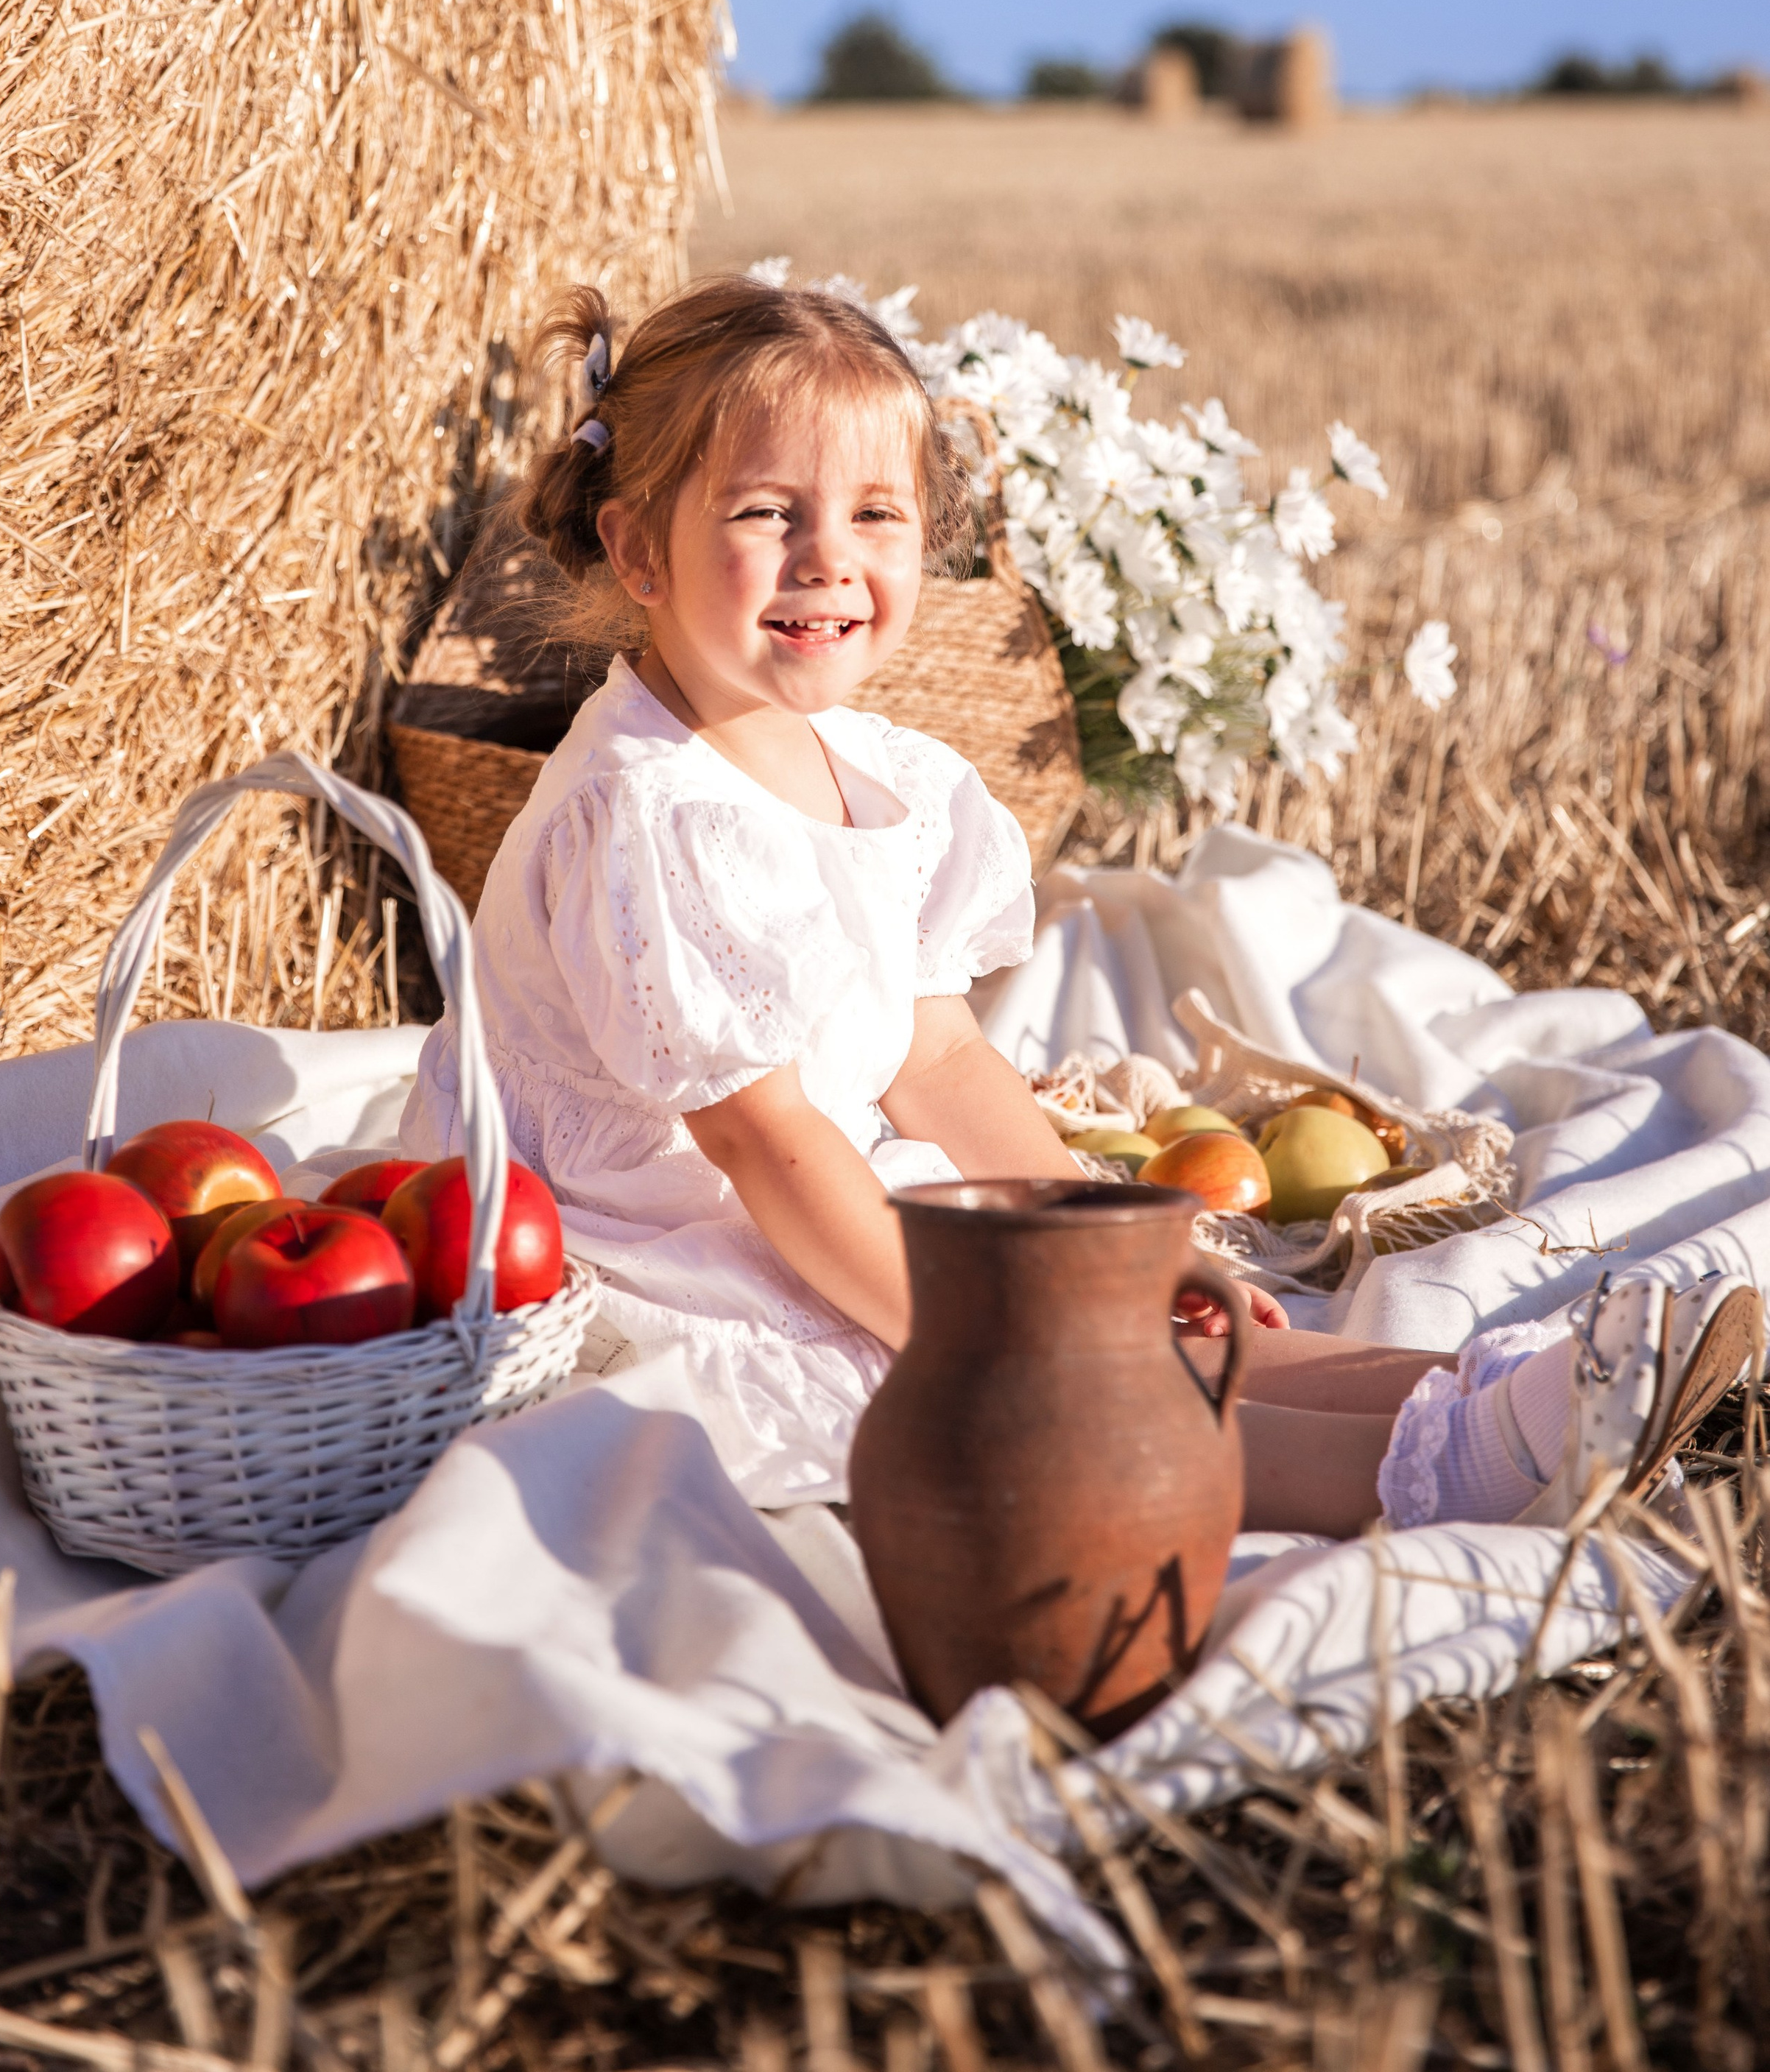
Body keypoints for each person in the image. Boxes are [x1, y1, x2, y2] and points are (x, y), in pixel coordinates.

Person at [401, 275, 1757, 1530]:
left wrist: (1116, 1246)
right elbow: (767, 1150)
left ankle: (1492, 1391)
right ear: (638, 550)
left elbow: (932, 1052)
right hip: (662, 1241)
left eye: (877, 515)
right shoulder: (645, 810)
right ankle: (1427, 1477)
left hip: (815, 1186)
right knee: (1049, 1403)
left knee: (1184, 1323)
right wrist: (982, 1337)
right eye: (767, 514)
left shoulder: (877, 773)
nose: (829, 559)